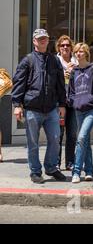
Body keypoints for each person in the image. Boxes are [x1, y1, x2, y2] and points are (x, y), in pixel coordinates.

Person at [12, 29, 67, 183]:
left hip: (51, 109)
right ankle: (35, 172)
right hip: (32, 109)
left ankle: (50, 167)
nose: (43, 41)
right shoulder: (27, 60)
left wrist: (62, 104)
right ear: (34, 41)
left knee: (55, 139)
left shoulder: (54, 60)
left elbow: (60, 84)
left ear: (48, 40)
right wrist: (17, 104)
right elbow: (19, 83)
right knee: (33, 143)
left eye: (45, 38)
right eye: (40, 39)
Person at [68, 43, 93, 183]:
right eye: (76, 52)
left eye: (81, 51)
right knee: (84, 140)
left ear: (86, 53)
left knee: (81, 137)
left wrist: (90, 100)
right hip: (79, 110)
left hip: (92, 109)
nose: (78, 54)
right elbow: (71, 92)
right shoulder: (74, 72)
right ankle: (90, 171)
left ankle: (76, 171)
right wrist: (75, 102)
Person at [55, 35, 78, 171]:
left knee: (72, 134)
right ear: (59, 47)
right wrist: (64, 75)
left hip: (73, 102)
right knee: (58, 134)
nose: (65, 47)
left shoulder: (75, 62)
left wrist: (73, 73)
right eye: (62, 45)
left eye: (68, 45)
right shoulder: (55, 61)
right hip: (59, 103)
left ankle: (70, 162)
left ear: (71, 48)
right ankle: (56, 162)